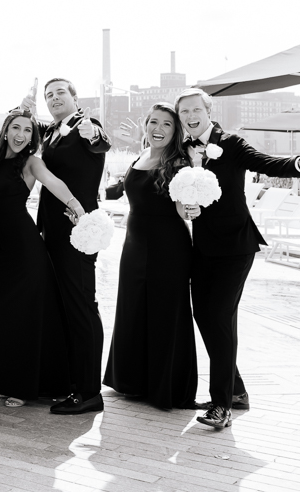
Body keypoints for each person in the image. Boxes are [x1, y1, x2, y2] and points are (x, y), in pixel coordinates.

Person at [175, 89, 300, 429]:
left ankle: (221, 405)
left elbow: (265, 162)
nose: (190, 115)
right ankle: (237, 392)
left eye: (195, 109)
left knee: (218, 315)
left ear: (208, 110)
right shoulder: (181, 149)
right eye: (184, 110)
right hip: (201, 247)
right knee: (205, 316)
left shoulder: (230, 142)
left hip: (236, 246)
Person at [23, 77, 111, 415]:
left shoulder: (86, 126)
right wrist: (25, 104)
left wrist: (92, 129)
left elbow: (100, 143)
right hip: (52, 230)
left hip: (78, 230)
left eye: (61, 92)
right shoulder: (52, 131)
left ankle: (89, 392)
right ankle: (71, 382)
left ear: (75, 98)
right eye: (49, 95)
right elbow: (25, 125)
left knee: (81, 306)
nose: (55, 98)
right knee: (66, 306)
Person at [0, 107, 76, 407]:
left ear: (33, 136)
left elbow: (54, 183)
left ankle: (21, 386)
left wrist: (78, 209)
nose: (21, 135)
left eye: (28, 130)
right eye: (16, 128)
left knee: (24, 318)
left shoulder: (32, 162)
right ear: (6, 129)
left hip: (24, 249)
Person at [102, 102, 197, 410]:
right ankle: (131, 381)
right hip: (133, 244)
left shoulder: (181, 163)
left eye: (167, 124)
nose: (158, 128)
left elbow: (185, 207)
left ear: (176, 131)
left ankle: (166, 386)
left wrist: (191, 203)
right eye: (153, 122)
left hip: (168, 246)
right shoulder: (141, 155)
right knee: (133, 308)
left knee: (165, 314)